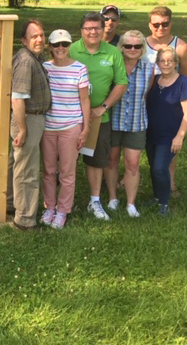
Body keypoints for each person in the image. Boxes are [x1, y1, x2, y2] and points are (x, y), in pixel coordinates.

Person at [69, 12, 128, 221]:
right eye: (88, 28)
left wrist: (104, 106)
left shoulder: (113, 52)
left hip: (98, 118)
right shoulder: (70, 49)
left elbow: (122, 83)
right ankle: (65, 201)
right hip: (70, 116)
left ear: (104, 29)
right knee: (67, 160)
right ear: (81, 31)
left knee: (95, 161)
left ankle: (94, 201)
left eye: (97, 28)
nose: (93, 32)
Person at [40, 30, 90, 230]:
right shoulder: (44, 68)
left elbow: (85, 100)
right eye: (56, 44)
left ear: (70, 45)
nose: (60, 48)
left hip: (71, 126)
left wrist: (85, 128)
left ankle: (63, 210)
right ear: (50, 47)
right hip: (48, 126)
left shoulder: (79, 69)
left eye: (65, 44)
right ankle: (49, 207)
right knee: (48, 170)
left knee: (67, 172)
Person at [105, 31, 154, 218]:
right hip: (113, 120)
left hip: (136, 121)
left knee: (133, 164)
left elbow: (147, 94)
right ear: (122, 47)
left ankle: (131, 203)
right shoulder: (113, 65)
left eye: (137, 46)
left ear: (142, 48)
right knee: (111, 160)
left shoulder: (149, 68)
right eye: (128, 46)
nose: (132, 49)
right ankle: (112, 197)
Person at [9, 20, 51, 230]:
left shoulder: (35, 58)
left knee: (18, 163)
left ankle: (10, 204)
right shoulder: (26, 61)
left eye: (41, 35)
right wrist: (23, 129)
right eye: (34, 36)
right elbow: (17, 99)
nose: (39, 39)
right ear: (24, 40)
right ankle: (25, 219)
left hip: (32, 118)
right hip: (28, 119)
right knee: (27, 170)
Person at [144, 6, 187, 196]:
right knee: (144, 141)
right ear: (150, 25)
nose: (160, 28)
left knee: (169, 141)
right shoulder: (141, 44)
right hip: (145, 98)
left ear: (171, 23)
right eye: (156, 24)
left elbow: (184, 76)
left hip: (170, 101)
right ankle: (129, 176)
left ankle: (170, 180)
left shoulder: (181, 47)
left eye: (164, 24)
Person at [145, 47, 187, 216]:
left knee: (160, 167)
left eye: (170, 61)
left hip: (171, 135)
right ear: (157, 63)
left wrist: (180, 136)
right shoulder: (154, 80)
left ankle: (164, 202)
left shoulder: (184, 83)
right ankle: (156, 197)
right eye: (162, 61)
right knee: (153, 167)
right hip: (151, 132)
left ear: (176, 63)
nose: (166, 64)